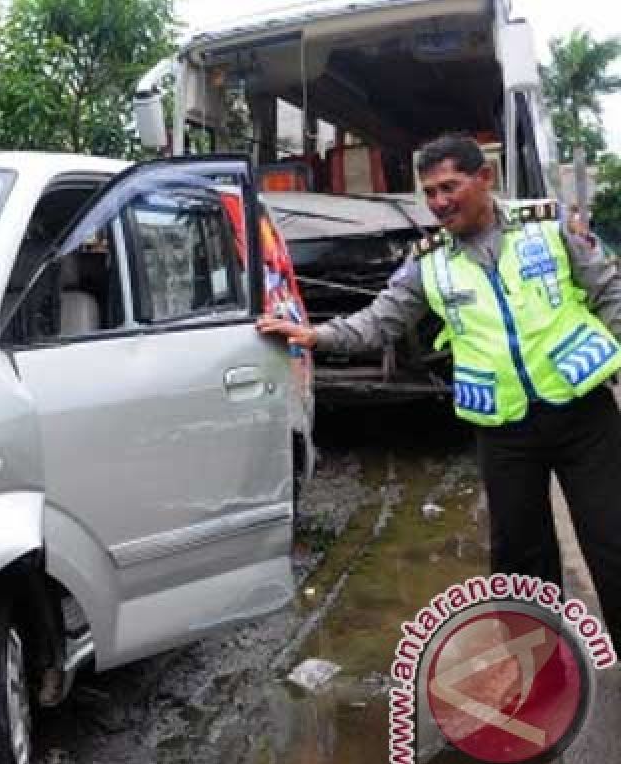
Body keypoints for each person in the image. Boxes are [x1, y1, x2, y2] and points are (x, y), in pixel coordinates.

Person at [258, 133, 621, 645]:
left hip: (584, 414)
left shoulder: (547, 226)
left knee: (613, 543)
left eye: (449, 186)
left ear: (484, 179)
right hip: (504, 430)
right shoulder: (429, 261)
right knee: (520, 563)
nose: (438, 202)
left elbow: (608, 291)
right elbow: (379, 322)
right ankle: (542, 677)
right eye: (429, 192)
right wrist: (315, 335)